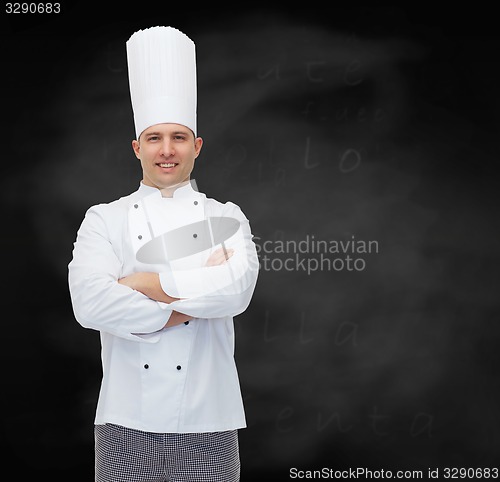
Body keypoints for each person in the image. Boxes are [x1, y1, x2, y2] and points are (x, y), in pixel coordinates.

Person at [68, 26, 259, 482]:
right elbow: (88, 304)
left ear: (197, 146)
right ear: (138, 148)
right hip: (124, 421)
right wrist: (189, 302)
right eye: (154, 138)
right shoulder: (103, 218)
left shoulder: (227, 216)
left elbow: (235, 293)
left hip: (210, 421)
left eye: (179, 137)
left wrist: (140, 286)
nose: (167, 150)